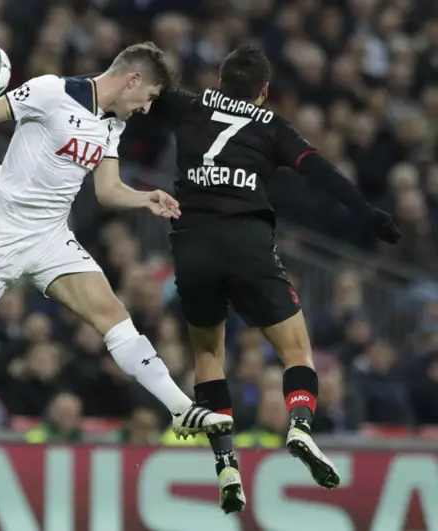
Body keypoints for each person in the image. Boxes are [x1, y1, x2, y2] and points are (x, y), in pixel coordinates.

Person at [0, 41, 232, 459]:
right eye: (149, 98)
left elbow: (107, 191)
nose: (145, 108)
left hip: (51, 236)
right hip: (1, 232)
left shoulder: (111, 124)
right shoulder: (51, 92)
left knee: (113, 316)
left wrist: (145, 199)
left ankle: (180, 408)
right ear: (133, 80)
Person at [151, 46, 402, 514]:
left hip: (192, 243)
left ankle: (225, 462)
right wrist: (367, 214)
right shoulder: (272, 126)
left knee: (209, 352)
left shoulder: (187, 104)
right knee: (296, 351)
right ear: (263, 92)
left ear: (220, 81)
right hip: (248, 242)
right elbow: (320, 171)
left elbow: (139, 85)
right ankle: (301, 426)